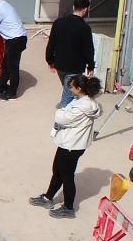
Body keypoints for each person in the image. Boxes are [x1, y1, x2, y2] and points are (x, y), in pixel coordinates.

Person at [31, 74, 103, 218]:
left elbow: (61, 119)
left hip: (71, 145)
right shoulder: (85, 102)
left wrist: (61, 109)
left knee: (67, 176)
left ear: (79, 88)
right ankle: (48, 198)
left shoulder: (82, 107)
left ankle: (68, 208)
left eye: (71, 86)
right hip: (70, 144)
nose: (69, 89)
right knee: (57, 170)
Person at [46, 0, 96, 109]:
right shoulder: (85, 28)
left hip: (60, 65)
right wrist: (90, 66)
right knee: (68, 95)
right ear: (85, 10)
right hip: (74, 68)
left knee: (68, 90)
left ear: (74, 7)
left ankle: (70, 112)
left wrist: (50, 60)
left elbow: (51, 43)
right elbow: (88, 49)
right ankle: (58, 124)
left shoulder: (58, 22)